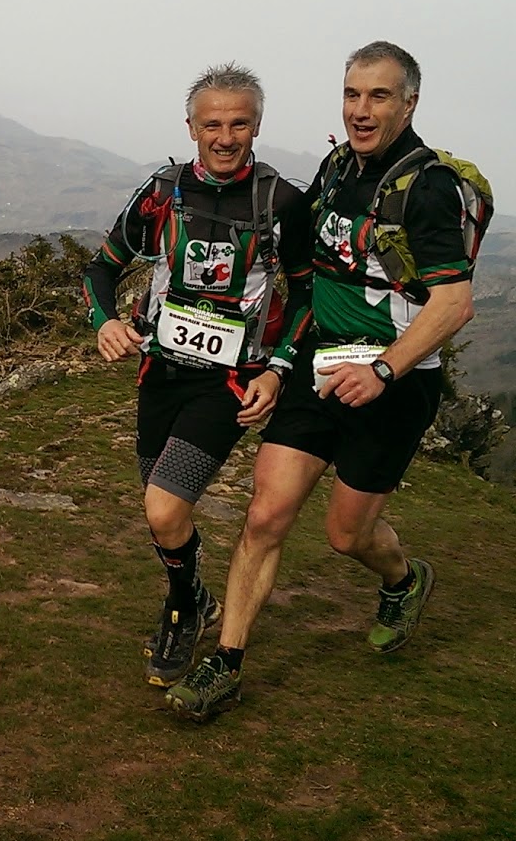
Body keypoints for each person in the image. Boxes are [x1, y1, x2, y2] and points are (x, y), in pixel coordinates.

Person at [167, 41, 480, 721]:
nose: (361, 110)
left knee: (347, 536)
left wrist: (384, 369)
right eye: (351, 95)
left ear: (408, 105)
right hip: (319, 367)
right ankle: (226, 663)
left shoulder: (427, 188)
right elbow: (298, 250)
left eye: (378, 96)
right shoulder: (338, 167)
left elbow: (454, 303)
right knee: (264, 515)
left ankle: (403, 578)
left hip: (394, 383)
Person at [83, 63, 314, 688]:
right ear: (191, 128)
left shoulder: (282, 203)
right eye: (212, 124)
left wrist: (279, 369)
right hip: (160, 374)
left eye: (239, 124)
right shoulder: (161, 192)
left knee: (163, 508)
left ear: (257, 126)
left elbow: (307, 294)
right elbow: (101, 267)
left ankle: (182, 611)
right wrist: (105, 322)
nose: (225, 137)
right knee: (163, 515)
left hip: (228, 383)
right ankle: (196, 596)